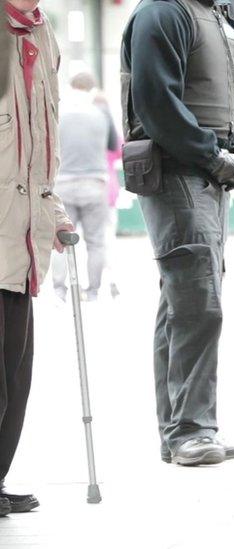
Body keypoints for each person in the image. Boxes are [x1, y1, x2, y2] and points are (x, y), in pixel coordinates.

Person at [121, 0, 234, 466]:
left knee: (184, 299)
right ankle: (191, 430)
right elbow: (156, 102)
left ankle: (181, 430)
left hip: (206, 174)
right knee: (197, 299)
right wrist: (213, 155)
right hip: (178, 172)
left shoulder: (218, 17)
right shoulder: (162, 12)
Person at [1, 0, 73, 515]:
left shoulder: (43, 33)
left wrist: (57, 212)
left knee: (15, 377)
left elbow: (41, 148)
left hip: (23, 238)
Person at [51, 72, 119, 302]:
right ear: (91, 89)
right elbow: (113, 145)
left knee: (62, 239)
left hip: (63, 183)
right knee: (96, 241)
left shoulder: (59, 114)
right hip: (95, 183)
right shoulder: (101, 114)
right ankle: (93, 291)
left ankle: (60, 290)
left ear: (71, 87)